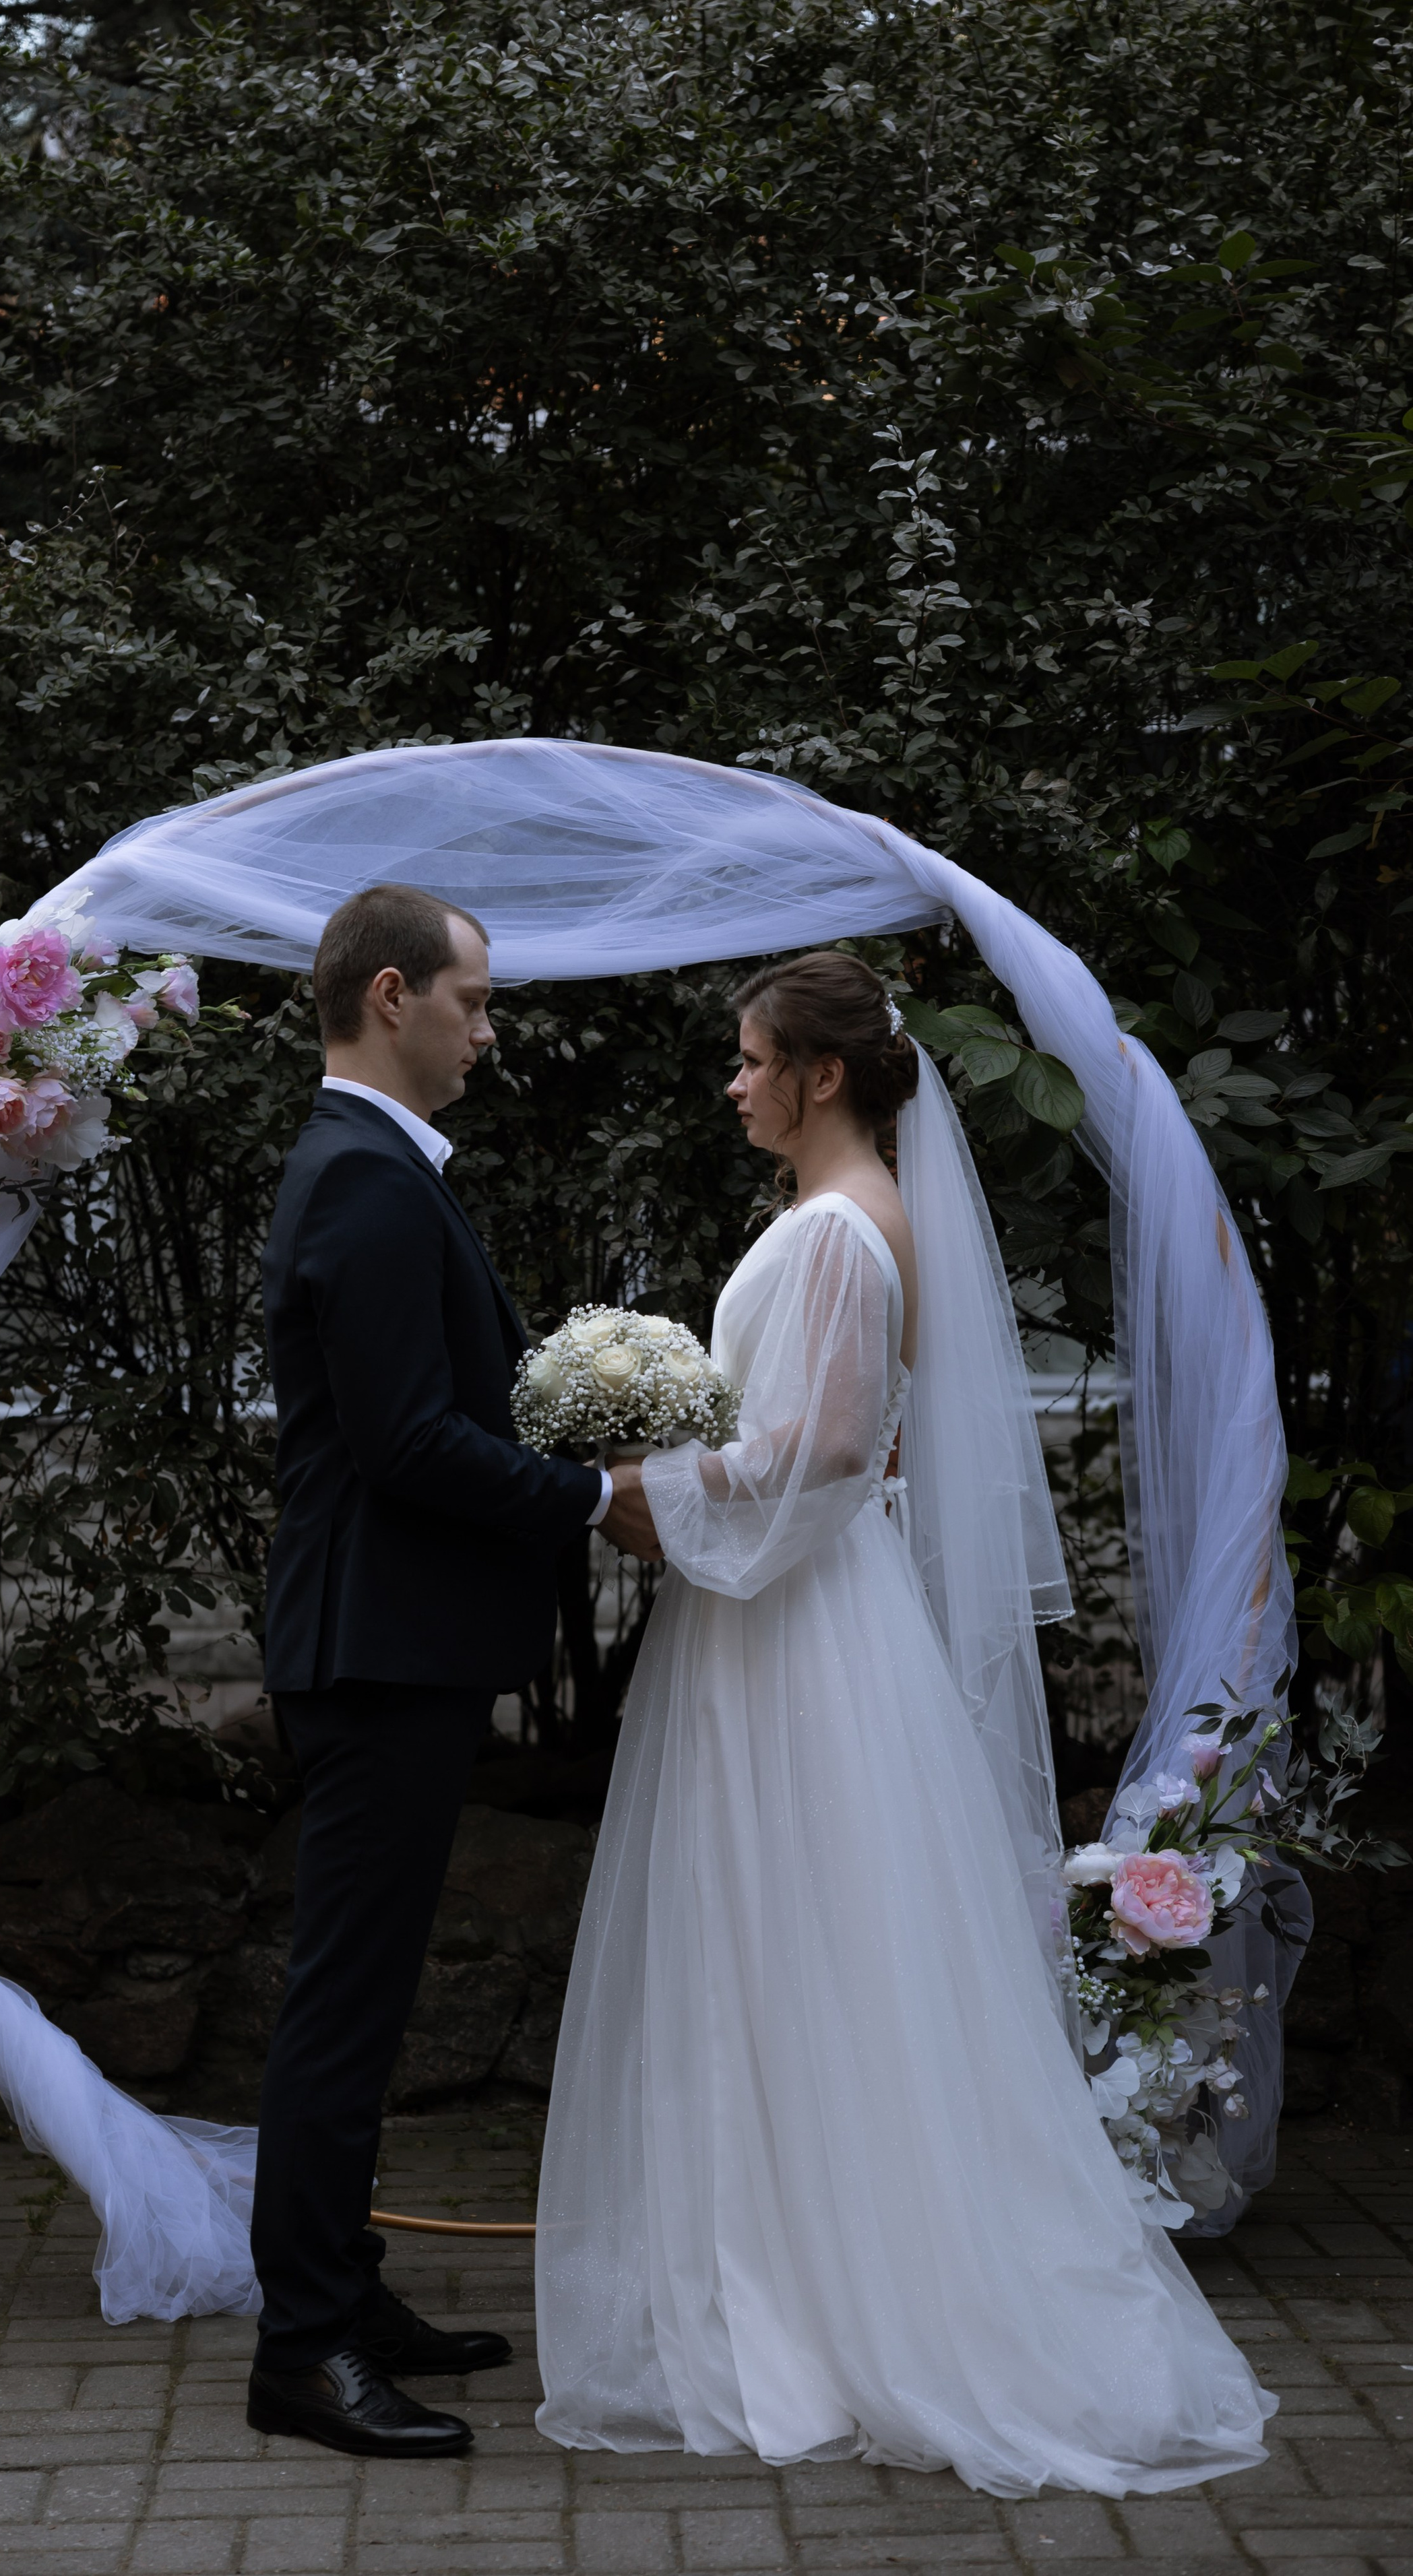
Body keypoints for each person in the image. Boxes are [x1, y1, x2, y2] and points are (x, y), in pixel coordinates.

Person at [534, 952, 1276, 2494]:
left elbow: (819, 1445)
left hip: (792, 1632)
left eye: (749, 1060)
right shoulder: (863, 1221)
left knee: (790, 1936)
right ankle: (795, 2261)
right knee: (808, 1940)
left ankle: (810, 2296)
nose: (732, 1084)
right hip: (802, 1618)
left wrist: (644, 1493)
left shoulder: (835, 1235)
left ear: (816, 1076)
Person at [249, 881, 658, 2459]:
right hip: (372, 1647)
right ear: (391, 995)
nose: (489, 1034)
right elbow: (403, 1442)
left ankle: (343, 2295)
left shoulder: (379, 1169)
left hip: (392, 1641)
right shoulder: (358, 1177)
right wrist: (585, 1495)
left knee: (361, 1994)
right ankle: (300, 2350)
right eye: (475, 1003)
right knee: (339, 2010)